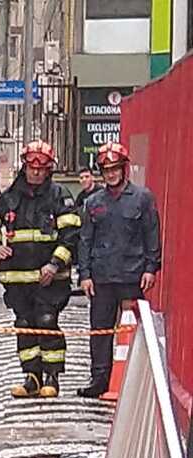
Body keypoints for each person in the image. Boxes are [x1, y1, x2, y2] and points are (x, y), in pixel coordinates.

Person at [0, 140, 81, 399]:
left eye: (42, 168)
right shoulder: (11, 195)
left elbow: (71, 235)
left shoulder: (60, 195)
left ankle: (52, 377)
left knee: (47, 323)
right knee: (25, 326)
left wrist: (55, 264)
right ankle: (31, 377)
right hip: (17, 278)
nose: (36, 173)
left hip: (50, 279)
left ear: (49, 169)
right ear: (24, 167)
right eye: (31, 168)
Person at [76, 142, 162, 398]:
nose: (111, 174)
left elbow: (152, 235)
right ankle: (99, 378)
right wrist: (85, 274)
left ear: (124, 169)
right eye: (106, 169)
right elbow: (85, 240)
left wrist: (151, 267)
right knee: (100, 330)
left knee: (130, 330)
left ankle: (133, 380)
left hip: (131, 276)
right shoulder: (93, 202)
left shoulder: (142, 198)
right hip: (101, 277)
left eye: (115, 169)